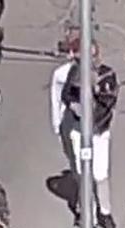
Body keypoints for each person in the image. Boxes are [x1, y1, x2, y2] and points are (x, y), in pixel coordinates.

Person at [60, 40, 119, 228]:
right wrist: (74, 106)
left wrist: (91, 116)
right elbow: (66, 94)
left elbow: (108, 103)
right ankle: (89, 217)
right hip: (79, 131)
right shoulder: (75, 73)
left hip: (99, 132)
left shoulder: (106, 75)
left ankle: (105, 212)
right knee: (84, 175)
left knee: (100, 174)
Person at [49, 32, 80, 172]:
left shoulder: (61, 74)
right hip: (76, 121)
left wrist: (57, 124)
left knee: (74, 157)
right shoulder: (61, 74)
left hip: (70, 122)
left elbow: (56, 100)